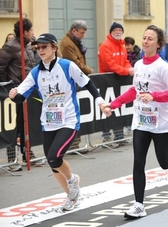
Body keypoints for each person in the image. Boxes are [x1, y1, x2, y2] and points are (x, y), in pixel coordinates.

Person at [102, 25, 168, 218]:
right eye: (144, 38)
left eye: (150, 39)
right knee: (138, 162)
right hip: (141, 121)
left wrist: (153, 96)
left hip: (161, 122)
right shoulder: (138, 65)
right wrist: (114, 104)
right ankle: (138, 205)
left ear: (158, 44)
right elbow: (134, 91)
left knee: (164, 162)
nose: (145, 41)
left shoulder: (164, 67)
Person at [8, 33, 108, 211]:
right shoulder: (36, 72)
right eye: (38, 48)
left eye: (44, 47)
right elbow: (20, 97)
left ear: (54, 48)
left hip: (68, 121)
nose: (41, 50)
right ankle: (71, 196)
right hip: (49, 122)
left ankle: (72, 180)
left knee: (55, 156)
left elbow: (88, 84)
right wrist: (14, 95)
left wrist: (100, 102)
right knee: (53, 163)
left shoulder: (67, 66)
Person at [0, 18, 45, 171]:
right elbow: (0, 67)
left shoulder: (28, 46)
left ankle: (28, 154)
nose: (33, 33)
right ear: (25, 31)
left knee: (26, 124)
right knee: (13, 126)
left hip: (27, 91)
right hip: (14, 91)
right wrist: (7, 87)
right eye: (31, 30)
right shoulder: (10, 47)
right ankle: (12, 159)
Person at [59, 20, 94, 154]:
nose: (83, 36)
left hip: (76, 80)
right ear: (74, 31)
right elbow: (75, 63)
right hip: (70, 82)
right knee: (71, 113)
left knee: (76, 111)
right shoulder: (67, 44)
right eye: (81, 33)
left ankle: (75, 144)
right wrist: (88, 70)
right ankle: (72, 145)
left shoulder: (74, 42)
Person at [98, 22, 134, 148]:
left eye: (120, 30)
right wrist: (127, 71)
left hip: (119, 81)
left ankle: (119, 136)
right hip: (107, 81)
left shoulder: (122, 45)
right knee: (107, 109)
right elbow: (109, 65)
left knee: (119, 109)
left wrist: (130, 68)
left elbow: (125, 61)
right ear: (111, 32)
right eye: (115, 30)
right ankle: (106, 138)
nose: (118, 32)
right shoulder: (105, 46)